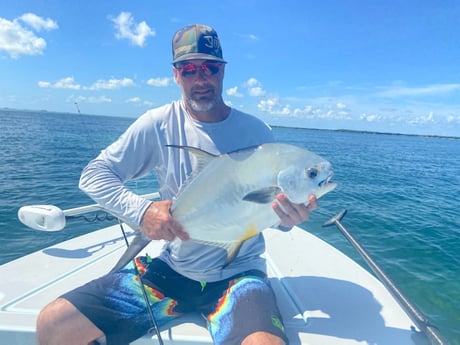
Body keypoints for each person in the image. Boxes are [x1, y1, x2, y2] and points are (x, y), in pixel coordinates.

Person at [36, 24, 317, 345]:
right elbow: (94, 174)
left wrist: (287, 220)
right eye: (188, 69)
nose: (200, 79)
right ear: (175, 74)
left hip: (239, 274)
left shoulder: (257, 133)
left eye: (210, 67)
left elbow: (267, 214)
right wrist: (142, 212)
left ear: (223, 71)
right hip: (171, 271)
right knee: (53, 324)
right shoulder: (158, 124)